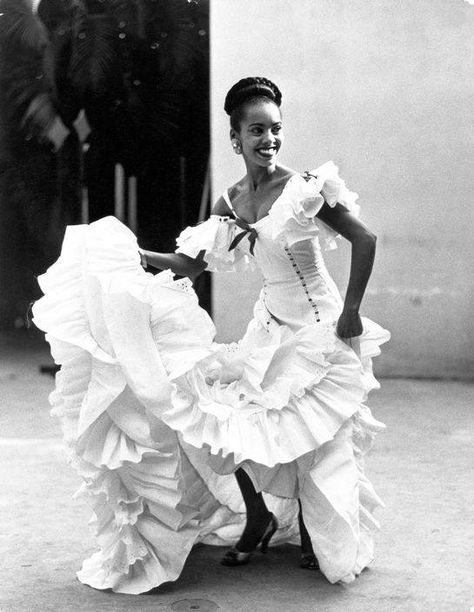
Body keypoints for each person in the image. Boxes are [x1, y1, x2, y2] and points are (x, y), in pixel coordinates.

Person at [33, 76, 389, 593]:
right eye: (257, 130)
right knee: (227, 421)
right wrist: (134, 256)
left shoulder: (304, 188)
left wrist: (352, 310)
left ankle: (319, 532)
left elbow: (365, 238)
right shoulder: (231, 200)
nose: (269, 139)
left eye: (275, 129)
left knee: (319, 435)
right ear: (235, 137)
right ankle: (258, 516)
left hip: (319, 325)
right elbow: (189, 264)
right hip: (269, 328)